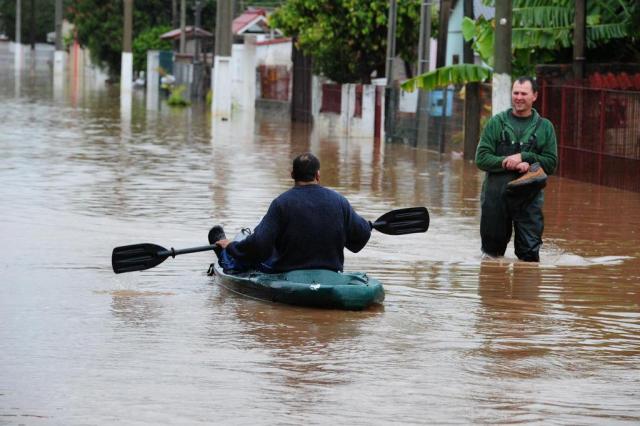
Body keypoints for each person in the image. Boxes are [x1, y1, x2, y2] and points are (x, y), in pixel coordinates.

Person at [208, 152, 372, 274]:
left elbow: (259, 247)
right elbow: (361, 235)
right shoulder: (339, 201)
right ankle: (227, 247)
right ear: (318, 175)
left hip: (288, 270)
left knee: (242, 255)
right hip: (330, 270)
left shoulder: (281, 203)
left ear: (292, 175)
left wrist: (231, 246)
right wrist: (367, 225)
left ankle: (223, 252)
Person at [475, 76, 558, 262]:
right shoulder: (496, 123)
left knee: (529, 258)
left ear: (534, 96)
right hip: (495, 198)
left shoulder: (545, 127)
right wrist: (507, 161)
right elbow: (481, 159)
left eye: (524, 93)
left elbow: (551, 163)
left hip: (529, 200)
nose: (518, 97)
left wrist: (525, 157)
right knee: (491, 257)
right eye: (515, 93)